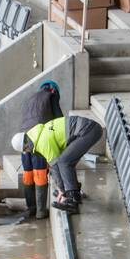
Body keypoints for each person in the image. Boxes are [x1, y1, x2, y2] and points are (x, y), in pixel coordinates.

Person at [14, 113, 103, 214]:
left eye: (26, 150)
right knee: (67, 160)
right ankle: (73, 191)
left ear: (26, 146)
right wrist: (62, 187)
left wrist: (61, 190)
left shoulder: (42, 142)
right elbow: (53, 164)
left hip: (88, 131)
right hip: (89, 129)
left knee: (64, 162)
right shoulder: (36, 134)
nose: (28, 152)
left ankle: (72, 201)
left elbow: (55, 166)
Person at [14, 82, 64, 220]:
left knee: (28, 173)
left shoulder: (30, 98)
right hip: (38, 138)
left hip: (22, 140)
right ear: (53, 89)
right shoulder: (51, 96)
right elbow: (59, 119)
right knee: (40, 173)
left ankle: (31, 208)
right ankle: (41, 211)